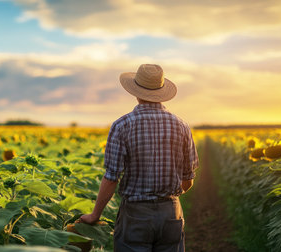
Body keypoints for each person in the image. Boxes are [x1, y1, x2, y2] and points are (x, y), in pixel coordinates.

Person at [80, 64, 199, 252]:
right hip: (171, 213)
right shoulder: (182, 126)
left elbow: (111, 178)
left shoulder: (122, 125)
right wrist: (166, 198)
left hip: (136, 213)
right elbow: (188, 180)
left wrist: (95, 215)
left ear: (135, 92)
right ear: (161, 91)